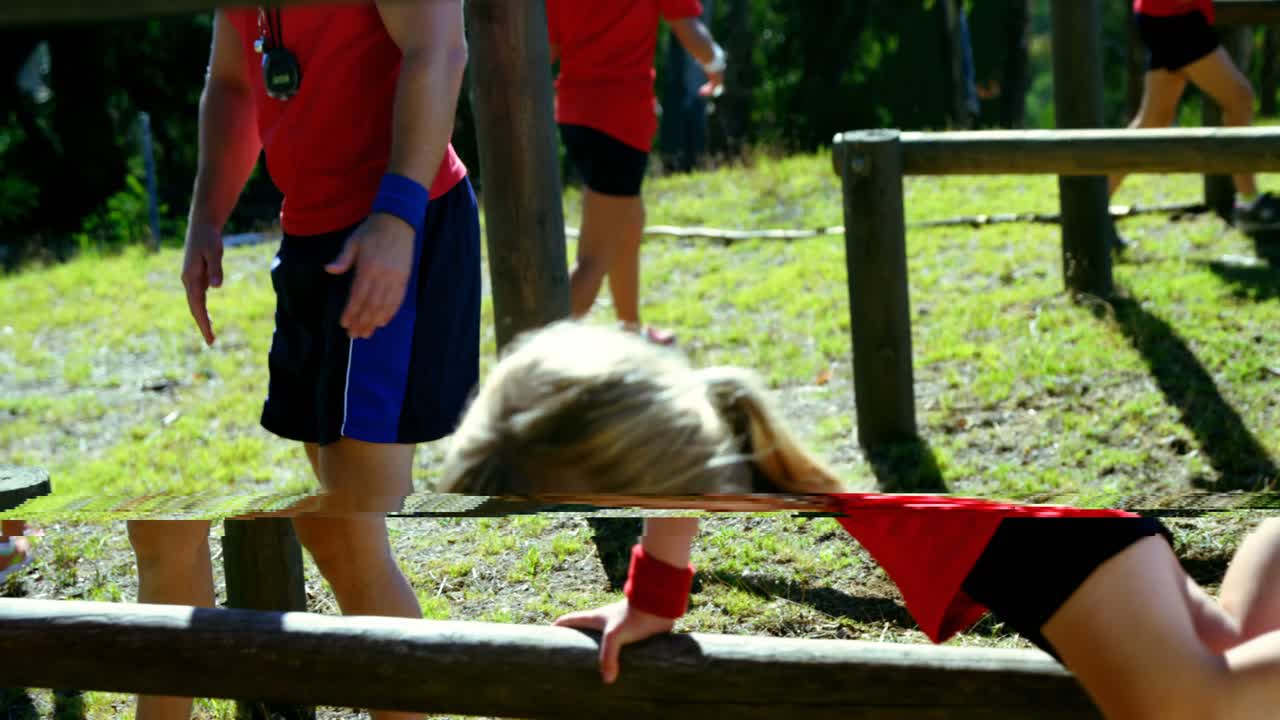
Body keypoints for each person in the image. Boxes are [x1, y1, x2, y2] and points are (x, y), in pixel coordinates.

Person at [438, 321, 1280, 720]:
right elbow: (674, 501)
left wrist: (655, 588)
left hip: (1053, 557)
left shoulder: (717, 457)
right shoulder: (707, 453)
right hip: (1059, 552)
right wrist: (655, 598)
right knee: (1228, 644)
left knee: (1195, 710)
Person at [128, 3, 479, 719]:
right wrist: (205, 216)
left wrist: (397, 216)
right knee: (338, 530)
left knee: (352, 526)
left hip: (397, 223)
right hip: (311, 233)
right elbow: (232, 82)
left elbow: (440, 49)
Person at [547, 0, 728, 346]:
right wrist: (716, 62)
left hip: (574, 114)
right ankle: (531, 366)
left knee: (630, 221)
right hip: (619, 120)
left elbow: (550, 48)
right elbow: (688, 28)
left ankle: (631, 332)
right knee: (593, 260)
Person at [1115, 0, 1280, 235]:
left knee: (1154, 121)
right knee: (1239, 98)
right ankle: (1249, 203)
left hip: (1164, 14)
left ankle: (1092, 205)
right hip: (1174, 17)